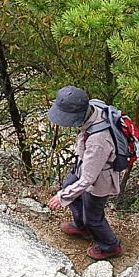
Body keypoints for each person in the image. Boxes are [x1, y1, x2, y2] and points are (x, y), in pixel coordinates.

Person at [46, 85, 122, 260]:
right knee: (68, 186)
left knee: (93, 217)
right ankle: (82, 227)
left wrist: (62, 197)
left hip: (100, 178)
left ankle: (110, 246)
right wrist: (67, 192)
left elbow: (88, 179)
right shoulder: (93, 106)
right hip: (86, 164)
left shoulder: (98, 140)